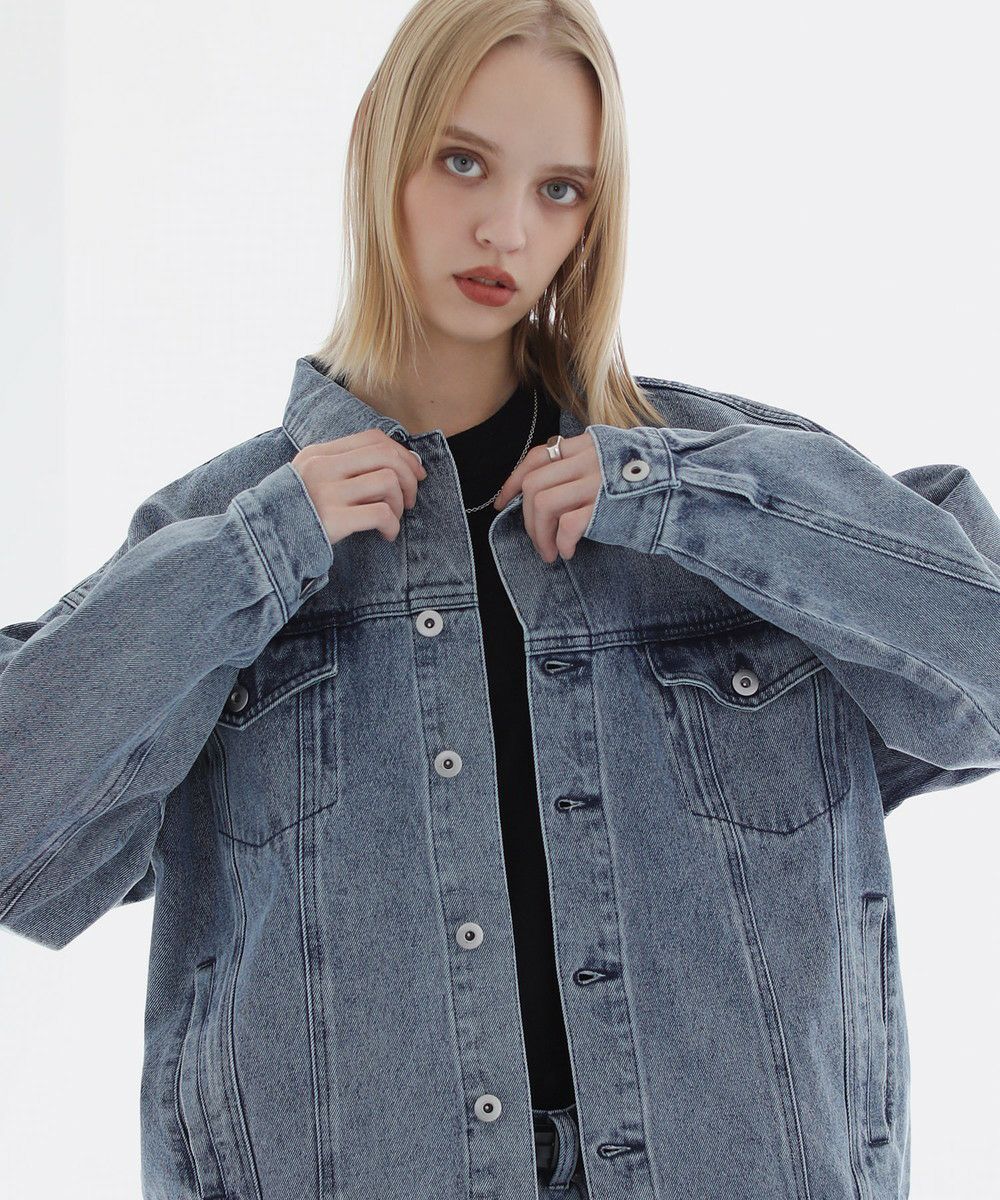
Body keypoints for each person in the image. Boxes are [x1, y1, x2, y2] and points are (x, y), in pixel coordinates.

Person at [2, 2, 998, 1198]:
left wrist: (685, 497)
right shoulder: (224, 537)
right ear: (379, 146)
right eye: (463, 162)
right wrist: (260, 551)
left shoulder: (726, 493)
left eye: (559, 189)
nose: (505, 229)